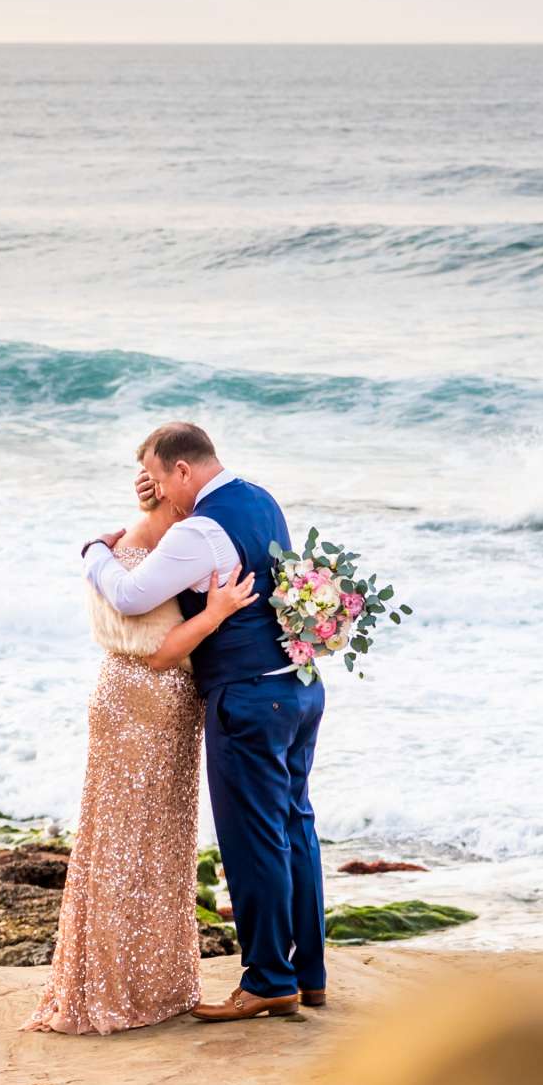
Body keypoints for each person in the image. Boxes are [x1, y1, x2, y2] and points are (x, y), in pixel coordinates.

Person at [80, 421, 327, 1022]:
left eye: (161, 480)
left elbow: (133, 596)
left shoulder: (199, 532)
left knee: (253, 842)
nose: (158, 492)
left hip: (247, 699)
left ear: (183, 473)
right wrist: (155, 498)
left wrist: (94, 553)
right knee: (295, 828)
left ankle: (268, 980)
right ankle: (308, 973)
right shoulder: (260, 499)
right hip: (297, 687)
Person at [26, 472, 258, 1034]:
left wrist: (94, 550)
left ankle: (115, 981)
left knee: (119, 840)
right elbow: (160, 651)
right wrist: (216, 613)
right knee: (148, 844)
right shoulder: (151, 566)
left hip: (118, 692)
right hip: (155, 699)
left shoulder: (113, 554)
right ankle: (130, 988)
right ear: (172, 503)